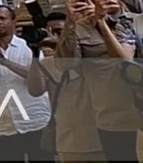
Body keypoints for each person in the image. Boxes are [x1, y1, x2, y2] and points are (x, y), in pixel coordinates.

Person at [55, 0, 138, 161]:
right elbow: (64, 65)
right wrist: (69, 23)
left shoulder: (136, 21)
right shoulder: (79, 28)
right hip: (113, 121)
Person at [0, 4, 52, 162]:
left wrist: (5, 62)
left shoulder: (29, 47)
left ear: (13, 21)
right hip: (2, 126)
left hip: (35, 119)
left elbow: (39, 78)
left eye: (2, 18)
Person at [28, 10, 104, 163]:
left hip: (102, 137)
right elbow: (35, 90)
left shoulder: (92, 58)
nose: (53, 37)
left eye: (59, 32)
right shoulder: (46, 64)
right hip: (69, 140)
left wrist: (61, 48)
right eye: (48, 32)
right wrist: (34, 53)